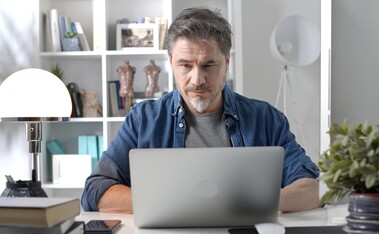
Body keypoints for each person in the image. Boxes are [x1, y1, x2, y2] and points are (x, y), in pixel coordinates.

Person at [81, 7, 322, 213]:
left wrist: (259, 203)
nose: (197, 79)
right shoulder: (143, 119)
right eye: (185, 65)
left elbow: (312, 187)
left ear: (227, 61)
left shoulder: (266, 119)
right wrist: (173, 203)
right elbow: (95, 190)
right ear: (170, 61)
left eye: (209, 65)